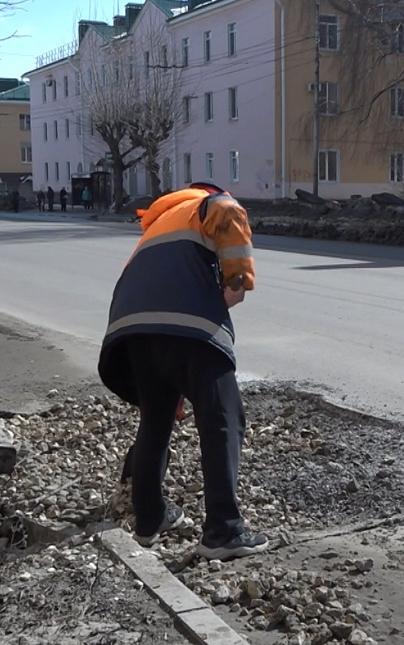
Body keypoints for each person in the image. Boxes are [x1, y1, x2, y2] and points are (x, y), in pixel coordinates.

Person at [97, 182, 268, 560]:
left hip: (132, 334)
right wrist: (238, 279)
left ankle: (149, 519)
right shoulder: (206, 206)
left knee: (156, 420)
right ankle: (223, 531)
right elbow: (228, 211)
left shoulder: (156, 228)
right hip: (188, 327)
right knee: (222, 417)